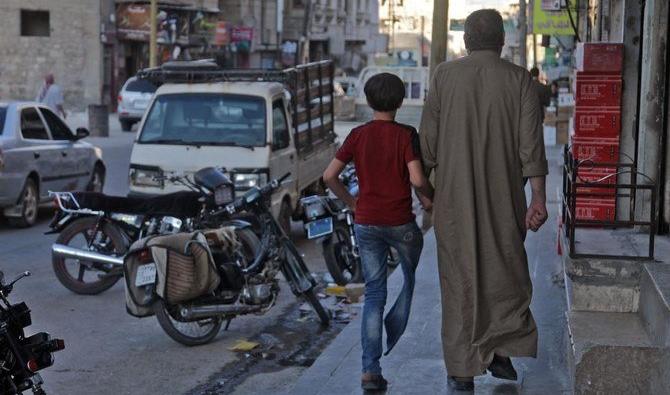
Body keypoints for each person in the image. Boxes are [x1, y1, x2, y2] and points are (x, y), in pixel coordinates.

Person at [418, 9, 548, 392]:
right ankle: (499, 350)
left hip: (453, 202)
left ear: (466, 41)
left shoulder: (444, 76)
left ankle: (461, 370)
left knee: (458, 281)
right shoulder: (519, 79)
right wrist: (537, 198)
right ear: (502, 40)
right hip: (503, 200)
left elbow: (427, 145)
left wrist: (426, 194)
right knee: (503, 275)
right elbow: (532, 148)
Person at [323, 72, 434, 391]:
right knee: (409, 277)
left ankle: (370, 370)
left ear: (368, 102)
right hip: (400, 224)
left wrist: (352, 203)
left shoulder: (357, 135)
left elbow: (329, 175)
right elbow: (416, 179)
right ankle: (396, 324)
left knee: (374, 293)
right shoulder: (405, 134)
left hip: (366, 224)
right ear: (400, 102)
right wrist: (429, 197)